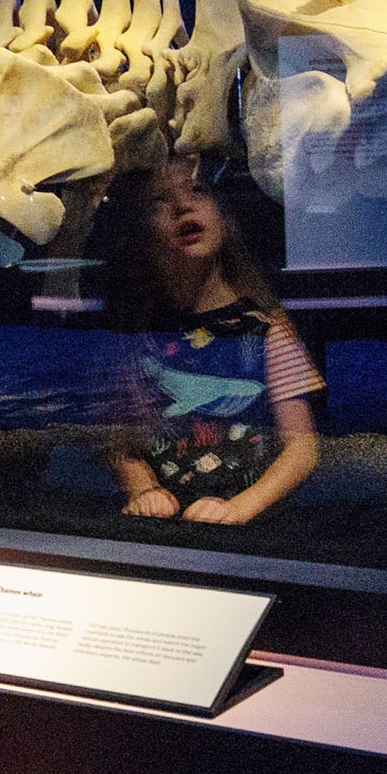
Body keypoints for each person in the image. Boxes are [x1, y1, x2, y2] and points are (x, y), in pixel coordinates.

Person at [103, 157, 322, 524]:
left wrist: (240, 508)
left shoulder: (269, 330)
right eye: (160, 199)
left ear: (226, 215)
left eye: (198, 190)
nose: (182, 206)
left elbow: (301, 447)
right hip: (160, 527)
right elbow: (121, 441)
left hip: (248, 531)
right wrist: (144, 491)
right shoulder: (137, 335)